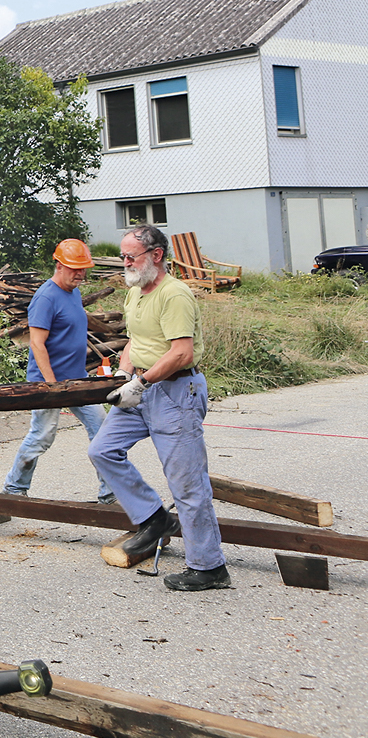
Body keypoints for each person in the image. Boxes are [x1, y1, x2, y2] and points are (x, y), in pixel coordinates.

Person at [87, 224, 229, 591]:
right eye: (122, 256)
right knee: (102, 450)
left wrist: (141, 382)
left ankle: (209, 567)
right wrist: (123, 372)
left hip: (175, 393)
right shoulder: (135, 294)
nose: (125, 263)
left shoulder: (174, 294)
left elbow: (182, 352)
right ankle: (154, 518)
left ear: (156, 255)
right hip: (142, 391)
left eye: (130, 256)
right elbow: (136, 340)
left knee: (187, 484)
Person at [2, 239, 114, 504]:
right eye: (75, 268)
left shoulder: (73, 292)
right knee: (42, 435)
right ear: (59, 265)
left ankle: (109, 494)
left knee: (103, 431)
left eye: (83, 268)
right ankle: (14, 488)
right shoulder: (45, 297)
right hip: (48, 383)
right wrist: (51, 386)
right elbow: (37, 343)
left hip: (78, 380)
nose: (80, 274)